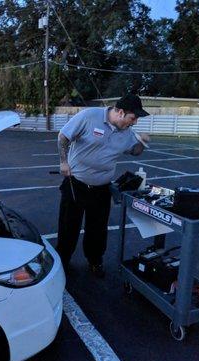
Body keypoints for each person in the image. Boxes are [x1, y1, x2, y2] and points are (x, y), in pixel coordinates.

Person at [56, 93, 150, 277]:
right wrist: (63, 162)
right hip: (76, 184)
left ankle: (95, 262)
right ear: (121, 112)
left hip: (101, 189)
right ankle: (63, 262)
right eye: (133, 118)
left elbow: (134, 152)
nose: (135, 122)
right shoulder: (89, 116)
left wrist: (142, 143)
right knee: (68, 227)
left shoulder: (127, 133)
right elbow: (63, 136)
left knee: (97, 230)